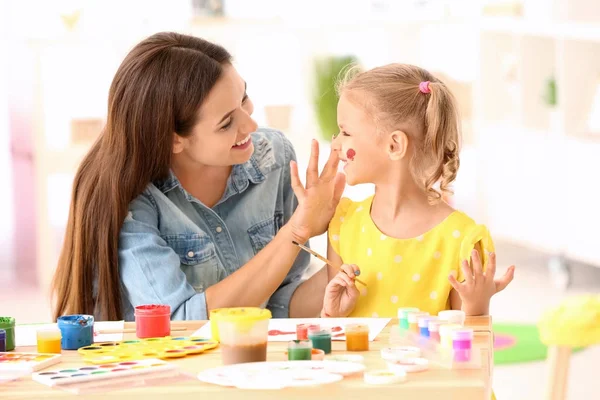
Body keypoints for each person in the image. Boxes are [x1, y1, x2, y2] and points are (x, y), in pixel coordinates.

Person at [51, 32, 346, 321]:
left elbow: (278, 304)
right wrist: (295, 232)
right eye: (227, 122)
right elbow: (179, 324)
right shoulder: (131, 201)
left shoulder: (273, 157)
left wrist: (350, 255)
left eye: (244, 98)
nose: (251, 125)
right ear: (174, 139)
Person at [322, 64, 515, 318]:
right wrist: (330, 314)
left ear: (394, 145)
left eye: (346, 132)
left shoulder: (461, 241)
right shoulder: (344, 223)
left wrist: (477, 307)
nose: (335, 143)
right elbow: (332, 342)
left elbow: (469, 352)